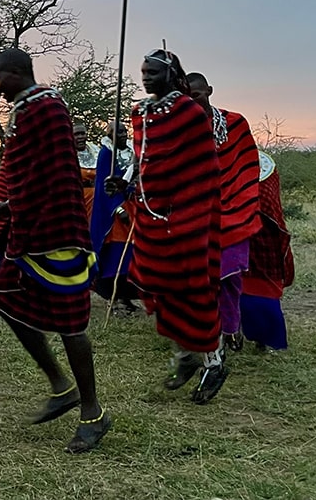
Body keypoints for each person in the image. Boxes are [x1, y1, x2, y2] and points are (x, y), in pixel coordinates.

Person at [0, 48, 110, 453]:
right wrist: (9, 205)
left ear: (19, 73)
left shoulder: (48, 107)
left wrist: (15, 204)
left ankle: (93, 413)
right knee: (3, 296)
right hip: (31, 230)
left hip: (59, 230)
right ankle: (60, 384)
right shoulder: (26, 110)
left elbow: (53, 173)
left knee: (72, 326)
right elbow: (28, 170)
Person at [106, 50, 225, 404]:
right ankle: (186, 355)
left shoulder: (188, 112)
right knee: (154, 285)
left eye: (153, 73)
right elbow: (143, 159)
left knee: (192, 288)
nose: (145, 78)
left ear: (171, 75)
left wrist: (186, 202)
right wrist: (123, 180)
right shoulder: (140, 112)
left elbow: (202, 166)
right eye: (143, 72)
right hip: (151, 214)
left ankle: (213, 362)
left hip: (187, 214)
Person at [187, 72, 262, 352]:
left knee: (229, 274)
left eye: (195, 96)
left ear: (209, 91)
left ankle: (230, 327)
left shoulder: (235, 124)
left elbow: (248, 166)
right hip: (198, 214)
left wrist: (241, 201)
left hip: (235, 212)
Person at [239, 151, 294, 350]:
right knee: (239, 292)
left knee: (261, 294)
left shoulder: (265, 171)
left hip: (263, 240)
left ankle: (265, 339)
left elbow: (271, 207)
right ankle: (243, 335)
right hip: (237, 240)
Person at [90, 121, 140, 313]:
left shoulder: (129, 153)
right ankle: (116, 298)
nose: (122, 134)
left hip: (133, 205)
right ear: (109, 135)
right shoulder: (106, 154)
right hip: (114, 213)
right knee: (116, 255)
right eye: (117, 132)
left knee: (131, 257)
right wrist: (119, 209)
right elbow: (105, 187)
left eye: (123, 131)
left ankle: (127, 298)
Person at [74, 123, 99, 220]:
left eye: (82, 134)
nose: (80, 137)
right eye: (76, 134)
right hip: (79, 199)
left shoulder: (96, 151)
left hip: (98, 198)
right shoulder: (68, 156)